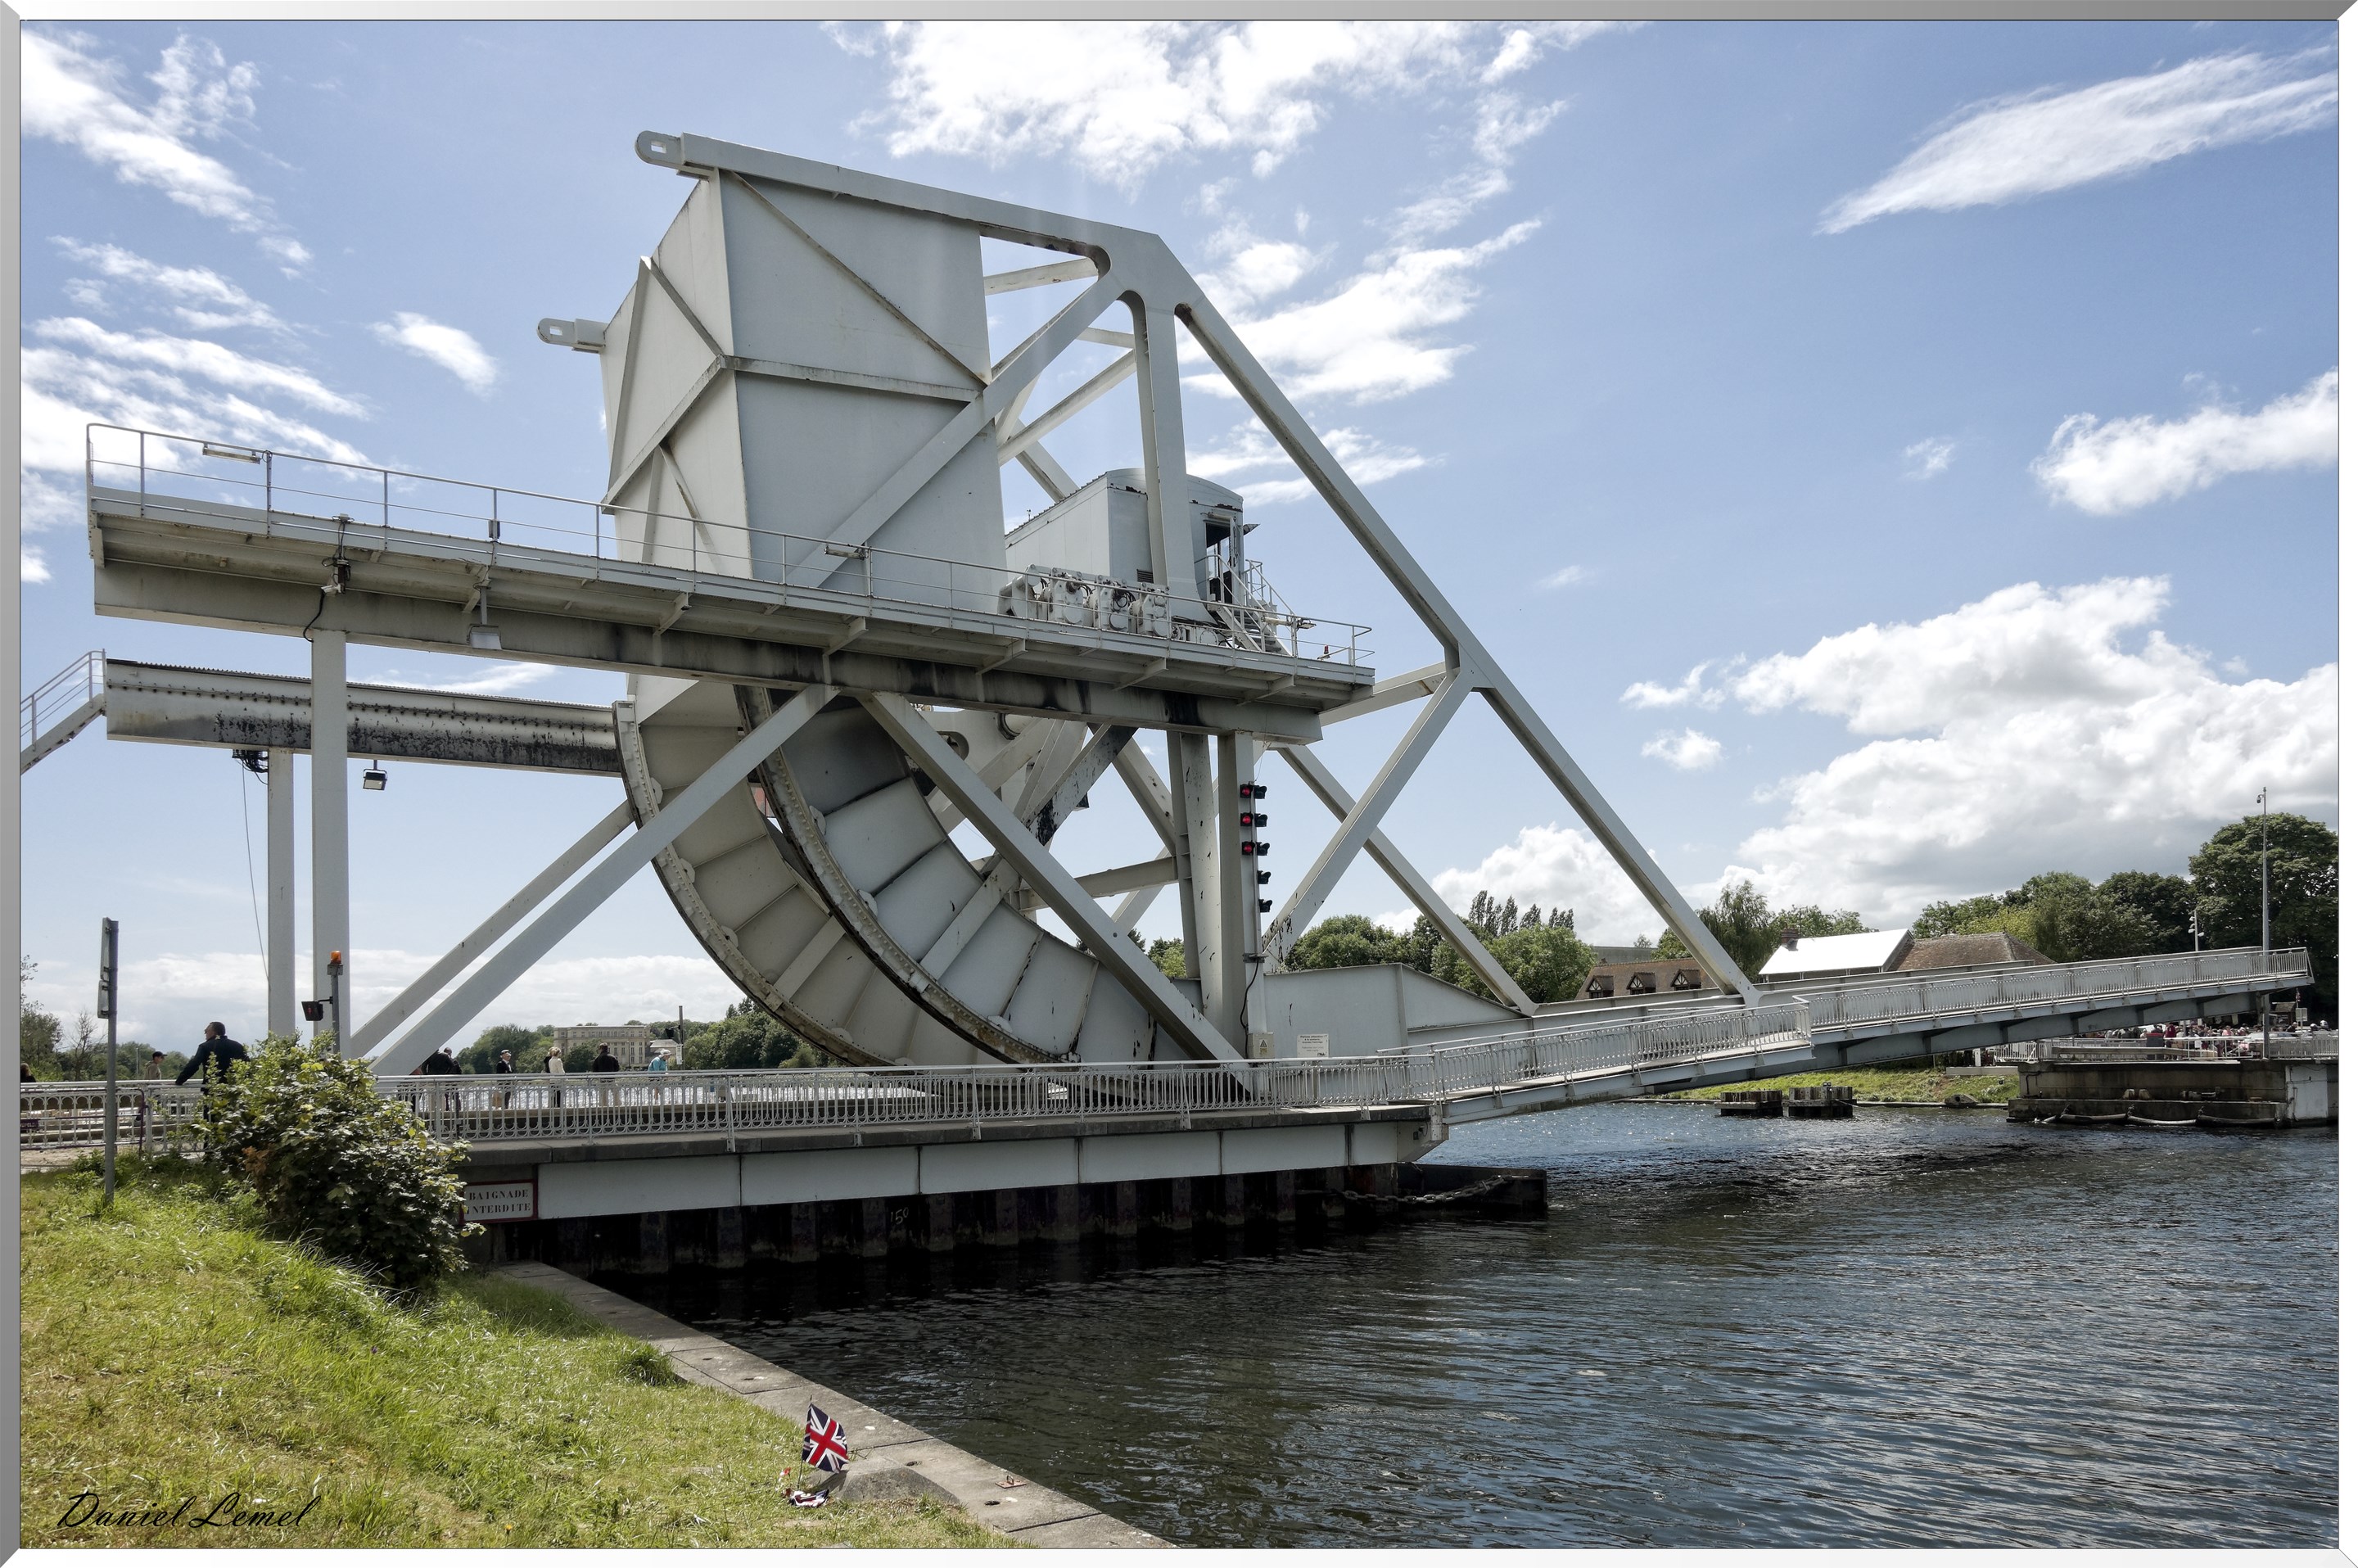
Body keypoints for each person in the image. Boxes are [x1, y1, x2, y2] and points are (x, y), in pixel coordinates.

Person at [176, 1023, 248, 1087]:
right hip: (234, 1089)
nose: (205, 1034)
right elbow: (247, 1065)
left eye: (206, 1031)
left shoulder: (205, 1046)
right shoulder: (237, 1046)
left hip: (212, 1089)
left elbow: (194, 1065)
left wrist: (179, 1081)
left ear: (213, 1032)